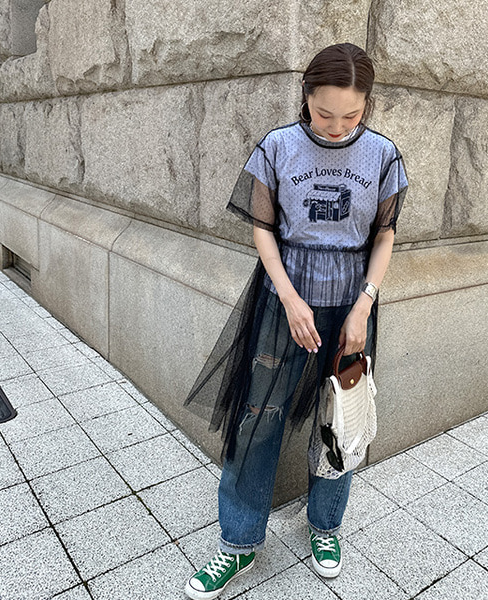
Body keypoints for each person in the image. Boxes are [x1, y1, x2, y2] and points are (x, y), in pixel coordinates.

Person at [184, 42, 408, 600]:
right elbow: (262, 228)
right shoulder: (278, 147)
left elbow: (384, 235)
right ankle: (238, 541)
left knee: (340, 418)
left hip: (351, 305)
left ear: (367, 105)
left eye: (351, 115)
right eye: (324, 112)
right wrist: (288, 297)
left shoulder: (383, 156)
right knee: (257, 417)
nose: (336, 126)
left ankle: (325, 526)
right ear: (305, 95)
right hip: (282, 301)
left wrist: (364, 304)